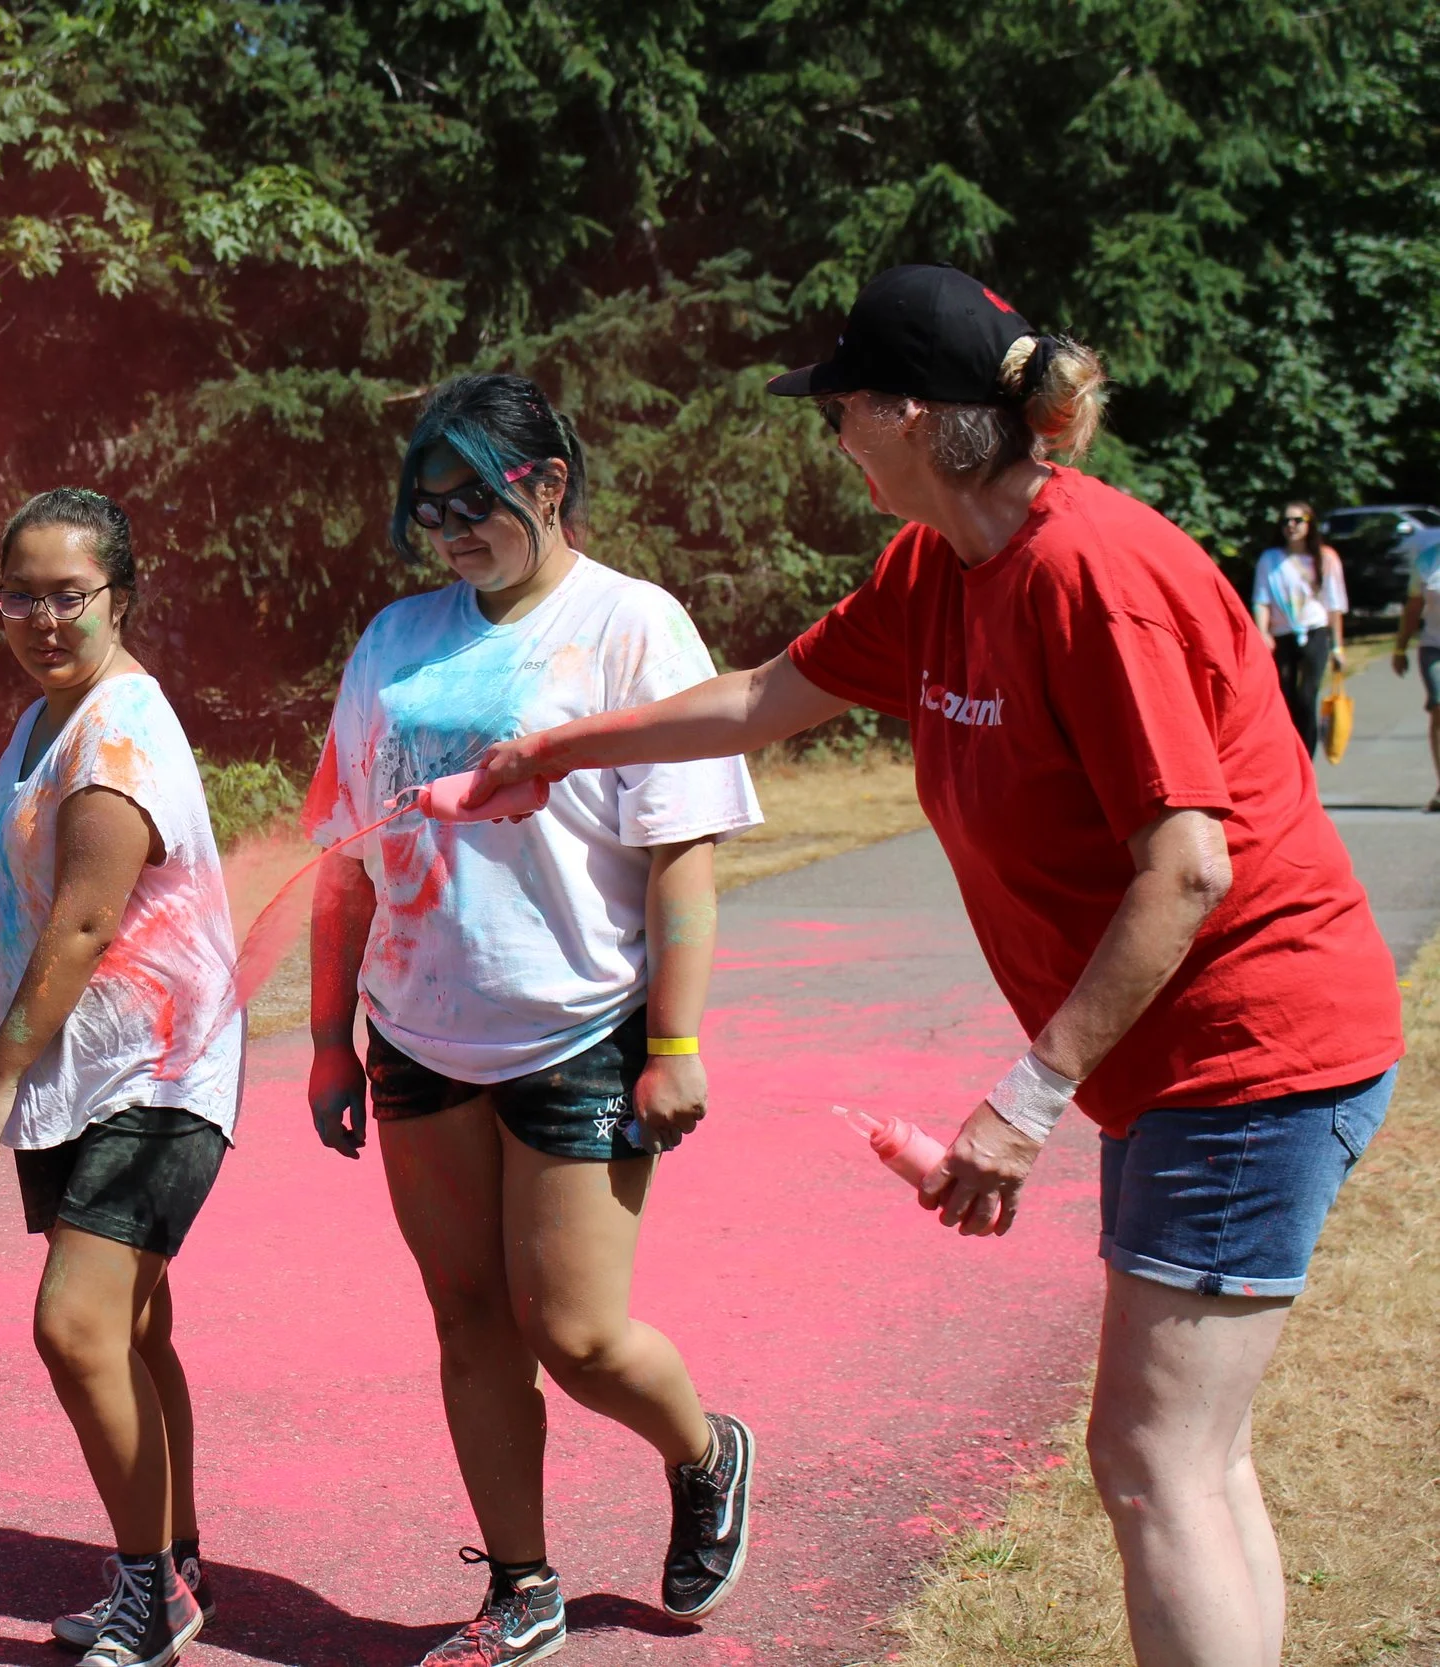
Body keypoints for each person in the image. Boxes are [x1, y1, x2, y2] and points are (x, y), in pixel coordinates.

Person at [471, 265, 1403, 1667]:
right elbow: (765, 696)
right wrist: (552, 751)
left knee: (1154, 1459)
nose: (832, 433)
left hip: (1254, 1051)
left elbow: (1191, 866)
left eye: (841, 407)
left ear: (911, 412)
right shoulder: (940, 563)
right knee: (1197, 1459)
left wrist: (1020, 1108)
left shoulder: (1098, 575)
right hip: (1190, 1072)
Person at [306, 373, 765, 1661]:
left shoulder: (632, 625)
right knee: (465, 1315)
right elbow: (345, 851)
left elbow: (680, 851)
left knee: (574, 1330)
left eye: (473, 499)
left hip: (579, 1030)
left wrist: (674, 1041)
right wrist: (324, 1037)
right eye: (427, 506)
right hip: (413, 1029)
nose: (449, 528)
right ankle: (520, 1583)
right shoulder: (396, 640)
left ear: (547, 484)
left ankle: (705, 1444)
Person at [0, 488, 242, 1667]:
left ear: (119, 593)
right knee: (129, 1327)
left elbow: (80, 924)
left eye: (68, 593)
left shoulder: (118, 724)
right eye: (18, 593)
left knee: (74, 1328)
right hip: (82, 1072)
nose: (40, 615)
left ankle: (146, 1591)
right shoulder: (41, 716)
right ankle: (172, 1565)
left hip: (154, 1066)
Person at [1251, 501, 1347, 757]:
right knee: (1285, 699)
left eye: (1297, 521)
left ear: (1309, 523)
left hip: (1315, 632)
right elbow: (1261, 599)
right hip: (1282, 636)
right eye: (1285, 522)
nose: (1291, 526)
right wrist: (1263, 633)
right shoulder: (1270, 559)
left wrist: (1337, 646)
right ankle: (1288, 757)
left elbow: (1334, 605)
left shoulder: (1325, 558)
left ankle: (1307, 758)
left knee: (1307, 697)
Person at [1392, 532, 1440, 811]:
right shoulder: (1427, 560)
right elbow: (1413, 609)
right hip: (1434, 647)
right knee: (1439, 708)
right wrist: (1400, 649)